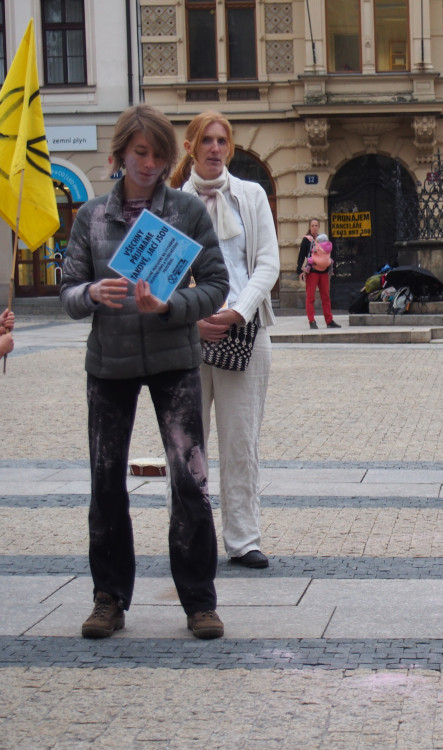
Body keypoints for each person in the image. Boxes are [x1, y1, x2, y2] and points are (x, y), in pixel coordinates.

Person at [59, 104, 229, 640]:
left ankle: (199, 601)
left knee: (190, 480)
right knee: (105, 481)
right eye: (140, 153)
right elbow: (68, 290)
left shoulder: (185, 211)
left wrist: (172, 306)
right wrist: (90, 293)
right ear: (120, 155)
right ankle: (108, 597)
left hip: (174, 361)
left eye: (158, 154)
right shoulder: (90, 216)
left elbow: (217, 285)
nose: (149, 164)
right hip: (108, 364)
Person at [170, 111, 281, 569]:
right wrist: (192, 317)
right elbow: (162, 275)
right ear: (191, 147)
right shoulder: (172, 202)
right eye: (206, 140)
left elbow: (267, 262)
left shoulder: (250, 196)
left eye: (222, 141)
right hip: (186, 335)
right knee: (186, 445)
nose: (215, 148)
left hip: (245, 332)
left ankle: (243, 539)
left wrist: (239, 309)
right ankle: (190, 538)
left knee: (241, 442)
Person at [297, 218, 339, 329]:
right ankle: (312, 321)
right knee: (310, 297)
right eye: (312, 225)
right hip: (312, 272)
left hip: (324, 272)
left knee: (326, 297)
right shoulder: (306, 240)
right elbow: (301, 256)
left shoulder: (323, 239)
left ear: (319, 227)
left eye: (316, 225)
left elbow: (328, 254)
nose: (314, 227)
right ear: (309, 227)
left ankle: (329, 321)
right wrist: (300, 271)